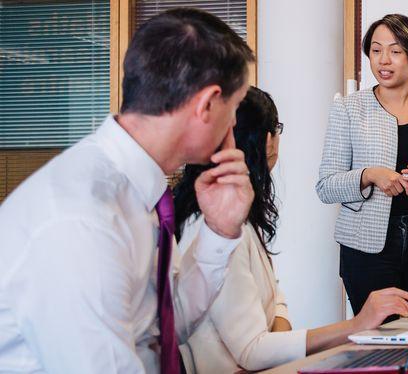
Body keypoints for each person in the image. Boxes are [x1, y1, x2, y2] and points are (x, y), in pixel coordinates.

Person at [0, 8, 255, 373]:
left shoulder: (138, 191)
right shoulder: (82, 217)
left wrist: (219, 231)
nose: (233, 123)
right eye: (234, 107)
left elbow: (162, 328)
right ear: (208, 104)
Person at [173, 87, 408, 373]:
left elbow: (276, 300)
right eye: (277, 128)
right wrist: (357, 324)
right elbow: (252, 350)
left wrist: (276, 347)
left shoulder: (237, 212)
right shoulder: (216, 226)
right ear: (267, 140)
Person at [316, 14, 408, 317]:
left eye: (395, 51)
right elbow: (326, 186)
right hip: (366, 248)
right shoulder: (348, 108)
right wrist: (370, 175)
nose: (383, 60)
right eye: (375, 50)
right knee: (379, 338)